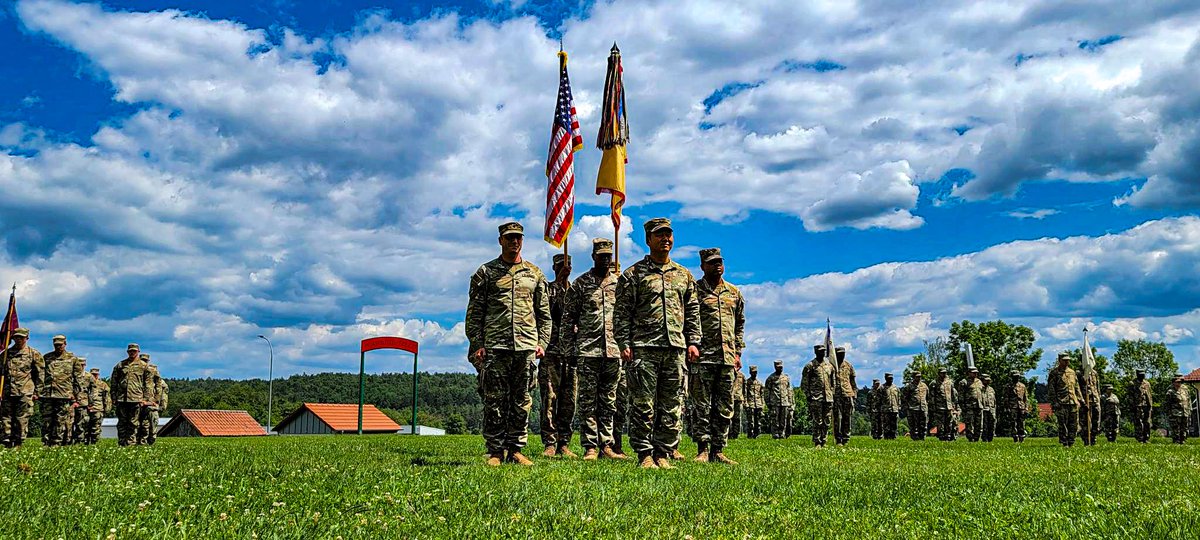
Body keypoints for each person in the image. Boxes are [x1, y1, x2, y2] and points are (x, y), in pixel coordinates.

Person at [615, 218, 701, 469]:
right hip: (643, 347)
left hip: (675, 348)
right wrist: (624, 342)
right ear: (648, 240)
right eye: (659, 235)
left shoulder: (684, 275)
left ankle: (663, 452)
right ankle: (644, 454)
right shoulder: (633, 274)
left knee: (672, 404)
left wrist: (693, 341)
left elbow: (692, 311)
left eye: (669, 234)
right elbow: (622, 312)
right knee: (643, 404)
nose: (666, 239)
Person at [465, 222, 552, 467]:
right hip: (495, 346)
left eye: (518, 238)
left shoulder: (534, 273)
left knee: (521, 401)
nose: (514, 242)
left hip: (525, 347)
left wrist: (542, 343)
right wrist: (477, 343)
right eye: (509, 238)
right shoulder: (486, 272)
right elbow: (475, 313)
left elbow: (544, 314)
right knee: (494, 400)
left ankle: (515, 449)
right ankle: (495, 450)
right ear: (501, 240)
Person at [565, 239, 625, 460]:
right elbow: (568, 318)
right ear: (593, 257)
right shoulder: (581, 284)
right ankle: (590, 445)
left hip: (613, 350)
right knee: (588, 401)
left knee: (609, 401)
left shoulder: (620, 283)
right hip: (587, 350)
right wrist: (569, 349)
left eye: (609, 256)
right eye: (601, 256)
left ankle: (607, 445)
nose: (606, 260)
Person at [690, 248, 744, 464]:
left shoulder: (734, 292)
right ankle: (702, 449)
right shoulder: (694, 291)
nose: (717, 266)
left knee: (724, 406)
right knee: (701, 405)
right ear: (703, 266)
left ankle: (718, 449)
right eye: (712, 263)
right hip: (703, 357)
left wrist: (738, 351)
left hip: (727, 358)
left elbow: (739, 323)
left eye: (720, 261)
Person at [539, 253, 577, 458]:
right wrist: (559, 284)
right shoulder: (547, 289)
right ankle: (550, 442)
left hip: (571, 353)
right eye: (561, 265)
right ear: (554, 267)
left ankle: (564, 442)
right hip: (551, 351)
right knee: (550, 400)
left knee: (569, 401)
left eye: (568, 265)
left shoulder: (575, 290)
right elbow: (549, 312)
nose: (565, 268)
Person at [39, 334, 77, 447]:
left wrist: (76, 395)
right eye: (56, 345)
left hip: (64, 395)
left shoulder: (72, 359)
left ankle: (57, 443)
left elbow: (78, 379)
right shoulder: (46, 358)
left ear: (65, 344)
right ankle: (46, 443)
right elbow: (40, 375)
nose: (58, 347)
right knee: (47, 420)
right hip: (48, 394)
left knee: (60, 421)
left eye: (60, 345)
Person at [110, 343, 152, 447]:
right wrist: (113, 397)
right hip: (122, 399)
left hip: (136, 399)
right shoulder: (120, 365)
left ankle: (130, 444)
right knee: (122, 423)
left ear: (138, 352)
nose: (132, 353)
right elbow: (114, 382)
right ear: (127, 352)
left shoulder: (144, 366)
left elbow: (148, 384)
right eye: (130, 351)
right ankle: (121, 443)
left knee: (133, 423)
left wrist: (146, 399)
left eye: (134, 351)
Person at [801, 345, 834, 447]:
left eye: (823, 351)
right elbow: (804, 383)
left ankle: (824, 440)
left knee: (827, 421)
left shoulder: (829, 366)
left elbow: (833, 382)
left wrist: (832, 393)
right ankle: (817, 441)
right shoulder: (810, 366)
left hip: (828, 397)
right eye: (820, 351)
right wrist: (808, 395)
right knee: (817, 421)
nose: (822, 353)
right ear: (815, 352)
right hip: (816, 397)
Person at [1047, 352, 1083, 447]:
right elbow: (1051, 389)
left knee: (1074, 424)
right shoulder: (1054, 373)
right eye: (1064, 360)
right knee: (1063, 425)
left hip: (1073, 402)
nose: (1067, 362)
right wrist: (1054, 402)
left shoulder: (1072, 372)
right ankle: (1064, 442)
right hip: (1061, 402)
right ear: (1059, 360)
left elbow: (1076, 387)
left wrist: (1081, 400)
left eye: (1068, 360)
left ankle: (1071, 442)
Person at [830, 347, 856, 446]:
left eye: (843, 353)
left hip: (848, 394)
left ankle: (846, 438)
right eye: (840, 354)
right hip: (836, 395)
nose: (842, 355)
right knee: (837, 418)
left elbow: (853, 381)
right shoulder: (831, 366)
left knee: (847, 417)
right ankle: (838, 438)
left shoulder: (848, 365)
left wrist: (854, 394)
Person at [765, 361, 791, 439]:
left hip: (784, 402)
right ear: (775, 367)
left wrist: (790, 401)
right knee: (775, 419)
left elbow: (789, 390)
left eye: (781, 367)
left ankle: (782, 433)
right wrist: (768, 402)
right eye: (779, 367)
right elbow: (766, 391)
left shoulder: (786, 378)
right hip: (774, 402)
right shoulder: (771, 378)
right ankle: (775, 434)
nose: (780, 368)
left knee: (783, 419)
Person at [957, 368, 983, 442]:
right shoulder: (964, 382)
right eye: (973, 373)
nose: (975, 374)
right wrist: (963, 407)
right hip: (969, 407)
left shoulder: (979, 382)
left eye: (976, 373)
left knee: (979, 423)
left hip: (979, 406)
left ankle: (977, 438)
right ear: (968, 373)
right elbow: (961, 396)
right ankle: (970, 438)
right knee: (970, 424)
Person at [86, 367, 111, 444]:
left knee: (96, 428)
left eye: (95, 374)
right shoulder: (86, 383)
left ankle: (95, 444)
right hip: (86, 409)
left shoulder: (103, 385)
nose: (94, 376)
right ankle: (85, 444)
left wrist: (107, 409)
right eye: (92, 374)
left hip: (98, 409)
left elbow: (106, 398)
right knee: (86, 428)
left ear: (98, 375)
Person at [1078, 362, 1101, 447]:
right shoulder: (1079, 374)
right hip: (1085, 401)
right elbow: (1077, 388)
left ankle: (1094, 439)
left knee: (1096, 421)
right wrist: (1081, 401)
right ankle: (1086, 441)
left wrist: (1098, 397)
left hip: (1095, 400)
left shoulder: (1094, 373)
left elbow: (1097, 387)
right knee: (1085, 422)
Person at [71, 356, 92, 444]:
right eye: (79, 365)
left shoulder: (88, 376)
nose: (81, 367)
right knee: (69, 423)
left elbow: (93, 390)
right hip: (70, 402)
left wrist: (91, 403)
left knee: (81, 424)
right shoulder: (70, 375)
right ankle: (68, 441)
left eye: (82, 365)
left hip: (83, 403)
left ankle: (79, 442)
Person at [1129, 370, 1153, 443]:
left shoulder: (1147, 383)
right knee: (1139, 422)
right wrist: (1132, 406)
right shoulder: (1132, 383)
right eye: (1140, 374)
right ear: (1137, 375)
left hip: (1147, 406)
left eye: (1143, 374)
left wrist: (1151, 405)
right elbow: (1130, 396)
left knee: (1147, 422)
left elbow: (1150, 395)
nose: (1142, 376)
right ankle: (1140, 438)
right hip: (1137, 406)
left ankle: (1146, 438)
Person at [902, 371, 928, 440]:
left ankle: (922, 438)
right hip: (913, 408)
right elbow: (904, 398)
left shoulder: (924, 386)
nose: (919, 378)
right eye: (917, 376)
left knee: (923, 424)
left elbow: (928, 396)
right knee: (913, 425)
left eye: (919, 376)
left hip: (923, 408)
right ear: (913, 377)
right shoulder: (909, 386)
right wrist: (907, 407)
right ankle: (914, 438)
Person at [1166, 377, 1191, 444]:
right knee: (1176, 428)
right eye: (1177, 382)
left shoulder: (1184, 391)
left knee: (1184, 428)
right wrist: (1169, 413)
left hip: (1184, 412)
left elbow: (1188, 401)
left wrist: (1189, 411)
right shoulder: (1170, 392)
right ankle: (1176, 441)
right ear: (1173, 383)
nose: (1179, 383)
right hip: (1175, 413)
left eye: (1180, 382)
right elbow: (1168, 404)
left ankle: (1183, 440)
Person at [933, 368, 956, 441]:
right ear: (939, 373)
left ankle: (948, 436)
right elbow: (931, 396)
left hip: (949, 406)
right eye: (942, 373)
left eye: (945, 373)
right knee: (940, 423)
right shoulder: (934, 383)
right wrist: (933, 407)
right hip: (939, 407)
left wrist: (954, 405)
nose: (944, 374)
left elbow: (953, 395)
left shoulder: (950, 382)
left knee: (949, 422)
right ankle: (941, 436)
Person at [1007, 370, 1029, 443]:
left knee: (1021, 423)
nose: (1016, 378)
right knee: (1013, 423)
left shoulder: (1022, 386)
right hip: (1012, 406)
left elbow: (1025, 398)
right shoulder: (1008, 386)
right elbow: (1006, 398)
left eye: (1017, 376)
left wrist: (1026, 408)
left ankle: (1021, 437)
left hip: (1021, 407)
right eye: (1015, 376)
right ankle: (1015, 437)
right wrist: (1007, 408)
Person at [745, 366, 764, 439]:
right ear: (750, 372)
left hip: (758, 404)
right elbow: (745, 393)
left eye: (755, 372)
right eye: (753, 372)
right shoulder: (747, 382)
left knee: (758, 421)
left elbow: (761, 394)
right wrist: (746, 403)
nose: (754, 374)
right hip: (750, 404)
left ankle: (758, 434)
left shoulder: (759, 383)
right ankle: (750, 435)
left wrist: (762, 404)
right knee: (751, 422)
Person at [880, 373, 901, 439]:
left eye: (891, 378)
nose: (890, 380)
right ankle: (886, 437)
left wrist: (898, 407)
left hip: (894, 409)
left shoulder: (896, 388)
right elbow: (879, 399)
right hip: (885, 409)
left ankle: (893, 437)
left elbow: (899, 398)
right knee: (886, 425)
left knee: (894, 425)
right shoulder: (882, 388)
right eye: (889, 378)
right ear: (885, 378)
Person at [980, 374, 996, 442]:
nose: (988, 382)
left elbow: (994, 400)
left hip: (991, 409)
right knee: (984, 425)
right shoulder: (980, 388)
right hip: (983, 409)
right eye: (986, 380)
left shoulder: (991, 389)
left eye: (988, 380)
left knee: (992, 424)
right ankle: (984, 439)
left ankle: (990, 438)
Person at [730, 368, 745, 439]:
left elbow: (745, 388)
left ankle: (736, 434)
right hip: (730, 398)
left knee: (737, 418)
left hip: (738, 399)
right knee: (728, 417)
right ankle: (729, 434)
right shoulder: (728, 373)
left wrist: (744, 399)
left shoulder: (741, 376)